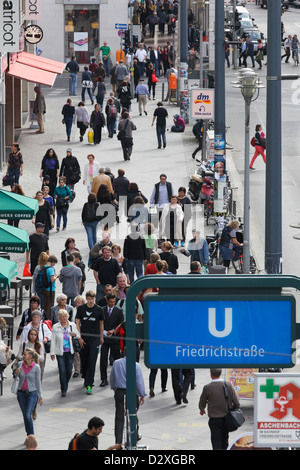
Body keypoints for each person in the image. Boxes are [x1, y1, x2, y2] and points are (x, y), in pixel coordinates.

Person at [110, 347, 146, 445]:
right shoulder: (136, 365)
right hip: (132, 392)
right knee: (133, 415)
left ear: (123, 352)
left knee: (119, 418)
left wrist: (114, 388)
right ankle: (134, 436)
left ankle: (118, 442)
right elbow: (139, 382)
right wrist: (142, 394)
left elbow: (112, 378)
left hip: (120, 392)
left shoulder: (116, 363)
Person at [199, 368, 240, 450]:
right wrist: (234, 409)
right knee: (225, 440)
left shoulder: (207, 387)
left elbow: (202, 401)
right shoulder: (228, 384)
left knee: (216, 442)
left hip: (214, 420)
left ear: (211, 374)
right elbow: (237, 403)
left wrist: (202, 409)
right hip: (226, 418)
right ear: (221, 373)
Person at [76, 290, 104, 394]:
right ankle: (85, 376)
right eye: (89, 299)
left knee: (92, 361)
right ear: (86, 299)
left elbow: (101, 324)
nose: (91, 301)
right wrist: (79, 337)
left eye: (92, 299)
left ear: (95, 299)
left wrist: (101, 337)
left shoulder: (99, 310)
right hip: (84, 338)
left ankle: (89, 384)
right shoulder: (81, 309)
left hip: (95, 339)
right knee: (85, 360)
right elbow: (77, 323)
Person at [50, 309, 80, 396]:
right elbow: (53, 340)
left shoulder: (72, 325)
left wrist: (74, 334)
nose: (64, 318)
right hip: (60, 352)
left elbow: (78, 335)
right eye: (62, 316)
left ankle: (65, 383)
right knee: (62, 371)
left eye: (65, 316)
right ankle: (63, 389)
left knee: (69, 371)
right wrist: (52, 353)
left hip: (70, 351)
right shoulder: (56, 326)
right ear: (59, 318)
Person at [15, 348, 43, 437]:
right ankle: (29, 435)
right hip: (21, 394)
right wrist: (16, 372)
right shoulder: (20, 364)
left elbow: (38, 382)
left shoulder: (36, 367)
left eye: (25, 354)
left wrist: (41, 396)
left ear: (30, 356)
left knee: (27, 416)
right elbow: (15, 377)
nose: (23, 356)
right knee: (25, 416)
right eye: (23, 354)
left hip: (32, 394)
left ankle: (31, 436)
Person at [100, 294, 124, 387]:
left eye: (114, 302)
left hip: (114, 339)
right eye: (111, 301)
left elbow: (121, 323)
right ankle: (104, 379)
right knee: (103, 359)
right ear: (107, 301)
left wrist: (113, 330)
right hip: (105, 339)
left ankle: (119, 378)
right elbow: (100, 323)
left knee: (117, 359)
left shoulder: (118, 311)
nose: (112, 303)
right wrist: (104, 331)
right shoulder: (102, 310)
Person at [20, 310, 52, 380]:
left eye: (37, 317)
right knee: (28, 368)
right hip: (28, 351)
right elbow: (23, 339)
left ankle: (38, 384)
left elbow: (50, 334)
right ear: (32, 318)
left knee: (40, 368)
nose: (35, 319)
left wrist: (46, 338)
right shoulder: (27, 327)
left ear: (40, 318)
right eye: (34, 317)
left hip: (40, 350)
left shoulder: (43, 326)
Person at [41, 254, 59, 319]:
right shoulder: (51, 269)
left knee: (45, 305)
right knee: (50, 306)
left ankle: (43, 318)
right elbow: (52, 280)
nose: (54, 265)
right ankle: (48, 319)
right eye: (54, 263)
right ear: (52, 261)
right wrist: (56, 276)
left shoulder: (44, 267)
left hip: (44, 288)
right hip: (50, 289)